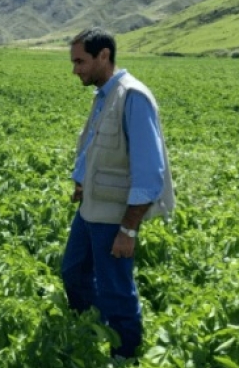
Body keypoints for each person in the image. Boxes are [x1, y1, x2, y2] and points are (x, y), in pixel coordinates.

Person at [61, 27, 175, 360]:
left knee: (116, 288)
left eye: (80, 61)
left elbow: (149, 170)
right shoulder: (103, 96)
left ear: (104, 56)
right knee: (74, 270)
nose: (75, 70)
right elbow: (95, 148)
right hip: (91, 209)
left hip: (115, 217)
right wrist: (81, 181)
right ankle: (91, 327)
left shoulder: (132, 97)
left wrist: (128, 229)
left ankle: (125, 351)